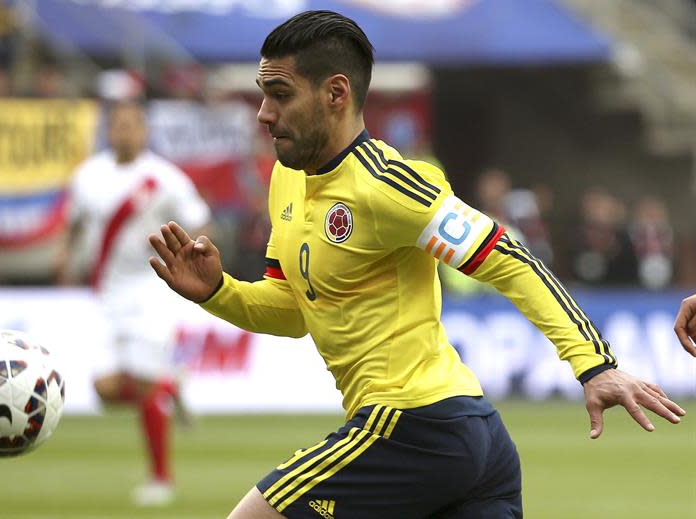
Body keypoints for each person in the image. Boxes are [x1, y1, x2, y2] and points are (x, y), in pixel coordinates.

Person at [147, 11, 687, 519]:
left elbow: (509, 258)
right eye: (264, 94)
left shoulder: (389, 184)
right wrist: (219, 291)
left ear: (336, 93)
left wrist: (593, 364)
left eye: (280, 95)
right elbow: (293, 310)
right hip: (463, 439)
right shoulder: (287, 176)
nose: (264, 113)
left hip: (412, 425)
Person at [58, 100, 210, 506]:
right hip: (106, 292)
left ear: (144, 131)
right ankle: (169, 385)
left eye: (132, 125)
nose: (124, 132)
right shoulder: (88, 176)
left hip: (150, 288)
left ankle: (160, 479)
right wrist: (64, 258)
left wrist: (195, 258)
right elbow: (73, 223)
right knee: (104, 389)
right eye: (118, 125)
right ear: (109, 130)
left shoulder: (164, 177)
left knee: (142, 384)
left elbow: (199, 218)